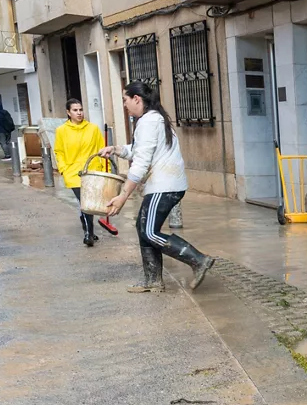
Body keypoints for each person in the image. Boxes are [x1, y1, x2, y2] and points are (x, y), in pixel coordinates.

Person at [98, 81, 214, 293]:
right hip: (165, 185)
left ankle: (198, 260)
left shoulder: (150, 121)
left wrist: (123, 195)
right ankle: (152, 280)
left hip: (164, 185)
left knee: (150, 232)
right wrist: (115, 149)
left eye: (125, 100)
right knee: (143, 229)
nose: (124, 105)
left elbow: (141, 162)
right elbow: (138, 149)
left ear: (136, 99)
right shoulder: (152, 119)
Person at [53, 99, 110, 247]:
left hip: (92, 172)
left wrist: (106, 171)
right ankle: (88, 234)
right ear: (68, 112)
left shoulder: (93, 129)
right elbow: (58, 151)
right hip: (73, 173)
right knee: (84, 201)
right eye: (75, 110)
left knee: (88, 202)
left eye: (80, 110)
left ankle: (88, 229)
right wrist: (63, 169)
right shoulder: (62, 131)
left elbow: (102, 151)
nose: (79, 113)